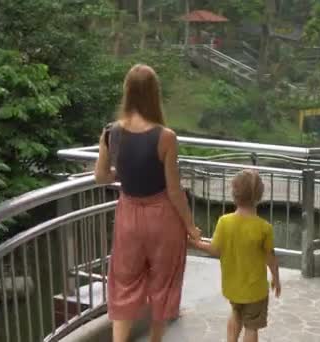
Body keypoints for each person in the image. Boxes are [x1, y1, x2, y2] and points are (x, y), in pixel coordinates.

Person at [94, 64, 201, 342]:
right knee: (163, 281)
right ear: (155, 93)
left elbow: (101, 176)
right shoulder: (166, 137)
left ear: (127, 92)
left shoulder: (110, 133)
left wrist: (124, 172)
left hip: (128, 214)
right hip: (162, 216)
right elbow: (174, 190)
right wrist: (190, 226)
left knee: (124, 281)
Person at [193, 169, 281, 342]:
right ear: (259, 197)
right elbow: (270, 258)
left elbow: (215, 250)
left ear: (234, 195)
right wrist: (276, 278)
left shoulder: (224, 222)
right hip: (255, 289)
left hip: (232, 286)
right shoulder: (264, 228)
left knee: (236, 313)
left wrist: (194, 243)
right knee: (252, 326)